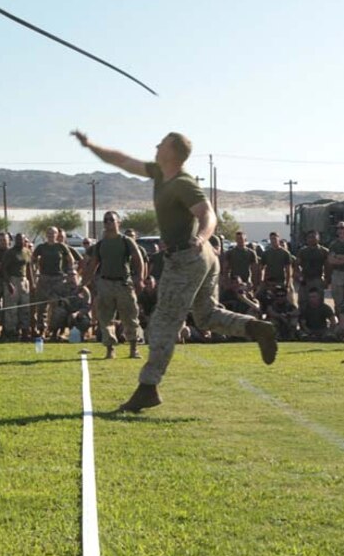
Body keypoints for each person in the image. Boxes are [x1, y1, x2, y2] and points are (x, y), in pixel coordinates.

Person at [73, 129, 277, 412]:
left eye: (161, 144)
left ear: (172, 152)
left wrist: (202, 237)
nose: (156, 146)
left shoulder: (182, 182)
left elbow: (208, 214)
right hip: (200, 257)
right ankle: (254, 328)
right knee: (205, 316)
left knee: (163, 323)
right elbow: (122, 161)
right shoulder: (159, 173)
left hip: (188, 257)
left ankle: (147, 387)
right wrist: (90, 145)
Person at [86, 211, 145, 359]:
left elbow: (138, 259)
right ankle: (110, 348)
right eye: (106, 220)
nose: (108, 223)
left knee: (130, 316)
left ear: (118, 222)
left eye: (111, 220)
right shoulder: (100, 244)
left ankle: (133, 348)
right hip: (105, 283)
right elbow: (93, 264)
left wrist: (140, 278)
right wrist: (83, 282)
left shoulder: (126, 241)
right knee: (105, 318)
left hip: (123, 283)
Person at [32, 227, 74, 337]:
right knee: (41, 306)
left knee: (57, 306)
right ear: (46, 234)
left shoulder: (61, 246)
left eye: (53, 233)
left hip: (58, 279)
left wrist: (70, 272)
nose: (51, 235)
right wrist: (35, 272)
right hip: (44, 278)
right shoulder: (41, 247)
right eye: (49, 233)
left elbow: (71, 260)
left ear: (57, 234)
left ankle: (55, 331)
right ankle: (41, 329)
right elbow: (33, 260)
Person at [0, 232, 35, 340]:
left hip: (24, 280)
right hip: (12, 279)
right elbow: (4, 269)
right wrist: (9, 283)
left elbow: (29, 268)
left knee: (25, 307)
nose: (20, 241)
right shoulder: (10, 253)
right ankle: (11, 332)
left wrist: (32, 283)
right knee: (12, 308)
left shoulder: (27, 252)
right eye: (18, 239)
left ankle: (24, 331)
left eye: (22, 239)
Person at [295, 230, 328, 310]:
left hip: (317, 279)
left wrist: (327, 279)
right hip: (305, 279)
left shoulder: (324, 251)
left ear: (318, 238)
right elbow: (296, 265)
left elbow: (328, 266)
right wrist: (300, 276)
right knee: (302, 302)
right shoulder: (302, 251)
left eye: (313, 237)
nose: (311, 239)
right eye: (309, 237)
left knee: (318, 302)